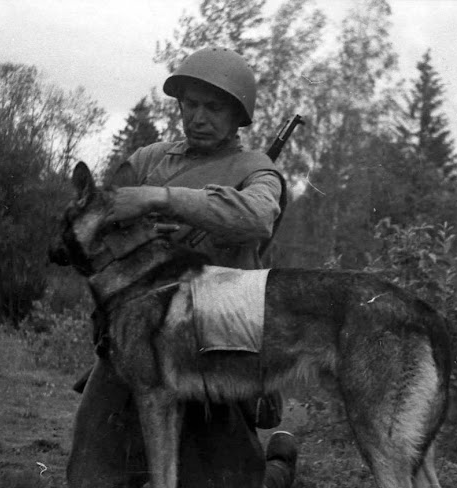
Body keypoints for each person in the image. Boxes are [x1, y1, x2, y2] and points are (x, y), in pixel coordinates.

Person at [67, 47, 297, 488]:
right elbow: (99, 220)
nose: (198, 117)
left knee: (231, 481)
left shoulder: (258, 170)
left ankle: (279, 467)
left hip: (214, 338)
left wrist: (161, 199)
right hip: (139, 333)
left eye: (213, 107)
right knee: (90, 476)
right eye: (190, 104)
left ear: (236, 116)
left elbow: (257, 217)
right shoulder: (149, 160)